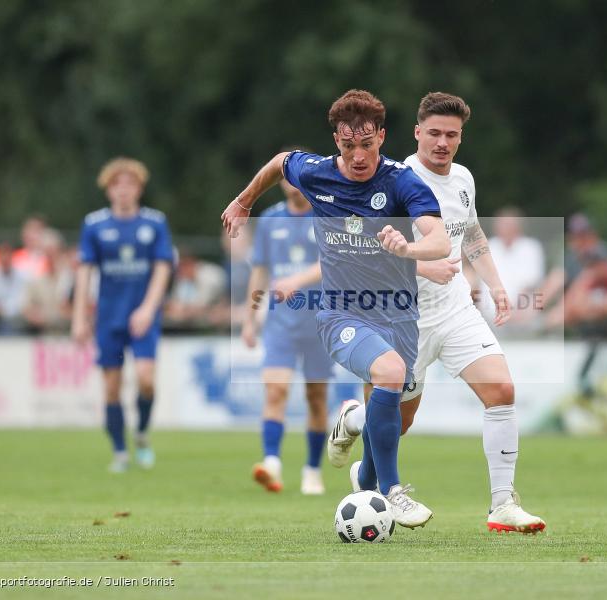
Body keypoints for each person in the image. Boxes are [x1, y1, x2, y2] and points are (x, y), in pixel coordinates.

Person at [221, 89, 450, 528]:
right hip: (341, 314)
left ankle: (360, 457)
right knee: (388, 372)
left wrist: (410, 248)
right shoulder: (317, 173)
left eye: (367, 144)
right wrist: (245, 201)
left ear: (382, 136)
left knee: (398, 419)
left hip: (400, 315)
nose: (358, 155)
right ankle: (394, 491)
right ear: (336, 141)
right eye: (348, 146)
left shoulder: (402, 182)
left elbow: (439, 240)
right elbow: (280, 161)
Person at [325, 92, 545, 534]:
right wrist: (422, 262)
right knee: (397, 423)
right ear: (416, 133)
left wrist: (496, 284)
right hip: (402, 316)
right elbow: (364, 250)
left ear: (461, 138)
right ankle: (353, 420)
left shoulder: (463, 178)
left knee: (501, 390)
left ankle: (502, 504)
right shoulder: (393, 181)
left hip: (456, 309)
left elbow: (472, 230)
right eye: (435, 134)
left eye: (452, 135)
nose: (443, 143)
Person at [72, 157, 174, 473]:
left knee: (146, 381)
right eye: (118, 185)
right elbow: (85, 273)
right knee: (112, 388)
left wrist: (147, 308)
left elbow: (162, 268)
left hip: (143, 318)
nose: (124, 191)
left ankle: (141, 432)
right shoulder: (94, 225)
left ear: (140, 189)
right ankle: (119, 451)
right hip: (109, 319)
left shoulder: (155, 223)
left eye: (130, 185)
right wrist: (79, 318)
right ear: (109, 190)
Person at [242, 177, 333, 495]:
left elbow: (333, 262)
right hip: (280, 322)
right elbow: (260, 270)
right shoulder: (269, 219)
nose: (292, 185)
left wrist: (297, 280)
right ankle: (272, 463)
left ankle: (312, 469)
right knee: (276, 390)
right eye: (285, 179)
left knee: (316, 397)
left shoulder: (326, 215)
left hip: (320, 321)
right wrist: (250, 316)